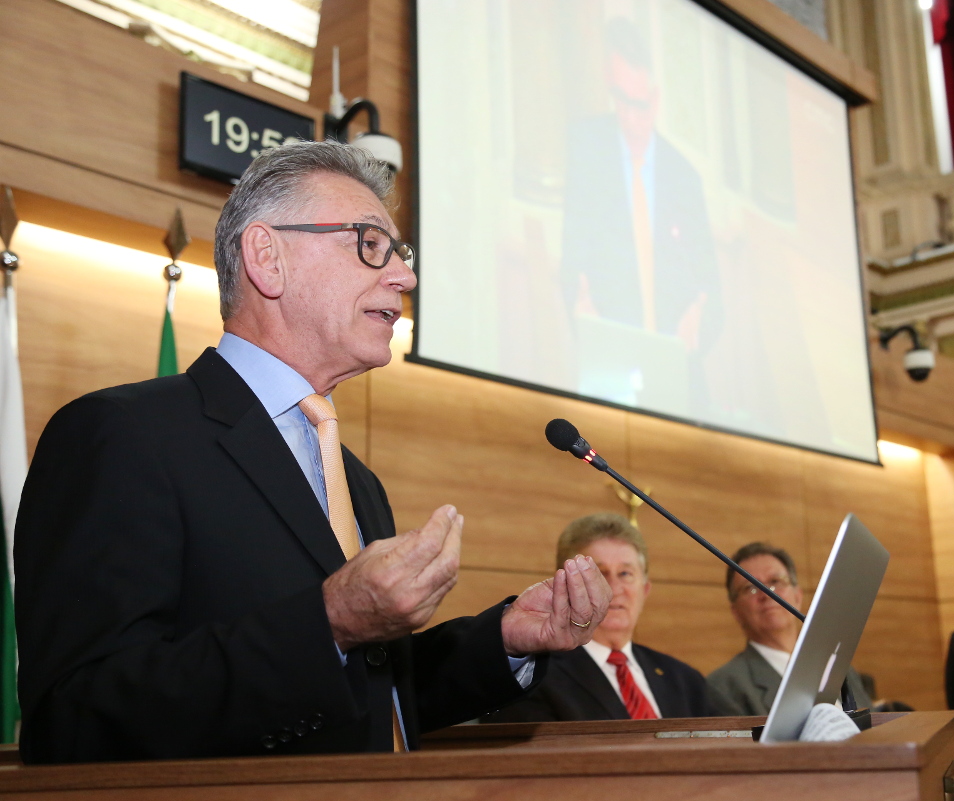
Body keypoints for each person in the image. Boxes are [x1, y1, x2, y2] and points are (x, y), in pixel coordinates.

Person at [14, 141, 611, 764]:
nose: (404, 277)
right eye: (369, 244)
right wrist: (330, 619)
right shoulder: (121, 435)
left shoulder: (356, 480)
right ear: (267, 259)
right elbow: (77, 716)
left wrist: (506, 641)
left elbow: (371, 701)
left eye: (400, 254)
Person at [560, 18, 722, 411]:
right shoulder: (585, 147)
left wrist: (698, 319)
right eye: (621, 99)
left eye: (641, 104)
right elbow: (573, 259)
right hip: (608, 367)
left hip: (677, 371)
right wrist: (580, 306)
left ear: (656, 97)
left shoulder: (684, 177)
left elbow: (710, 288)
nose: (631, 118)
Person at [485, 513, 720, 721]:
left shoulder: (685, 680)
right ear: (566, 588)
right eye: (599, 574)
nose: (614, 588)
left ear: (645, 589)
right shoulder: (532, 680)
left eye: (625, 573)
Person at [706, 542, 870, 715]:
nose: (766, 594)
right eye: (751, 587)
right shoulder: (722, 688)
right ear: (736, 611)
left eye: (775, 581)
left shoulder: (836, 666)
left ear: (798, 597)